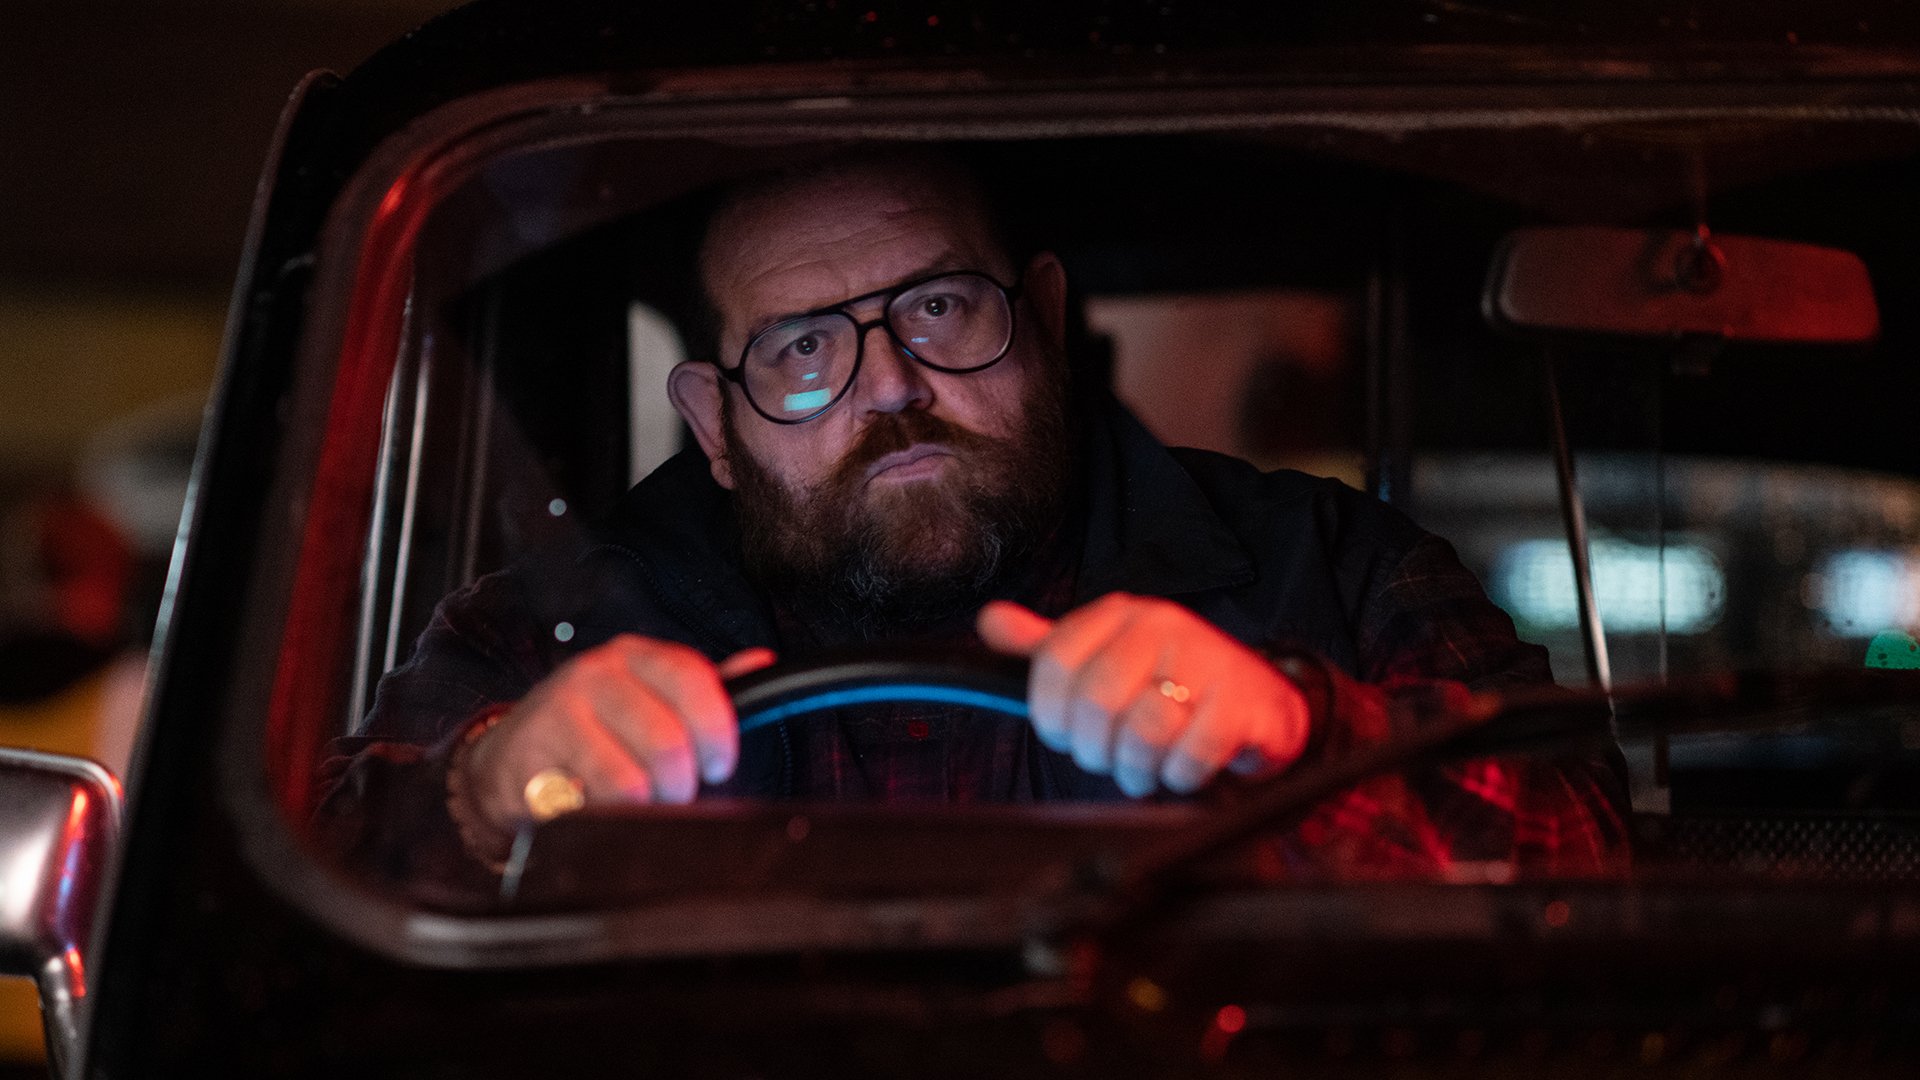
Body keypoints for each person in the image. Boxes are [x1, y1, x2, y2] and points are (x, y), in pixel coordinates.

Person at [318, 148, 1627, 885]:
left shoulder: (1327, 569)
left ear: (1043, 325)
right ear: (716, 424)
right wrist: (492, 792)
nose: (891, 383)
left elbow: (1590, 857)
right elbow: (304, 885)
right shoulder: (553, 623)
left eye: (939, 307)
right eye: (804, 347)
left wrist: (1300, 737)